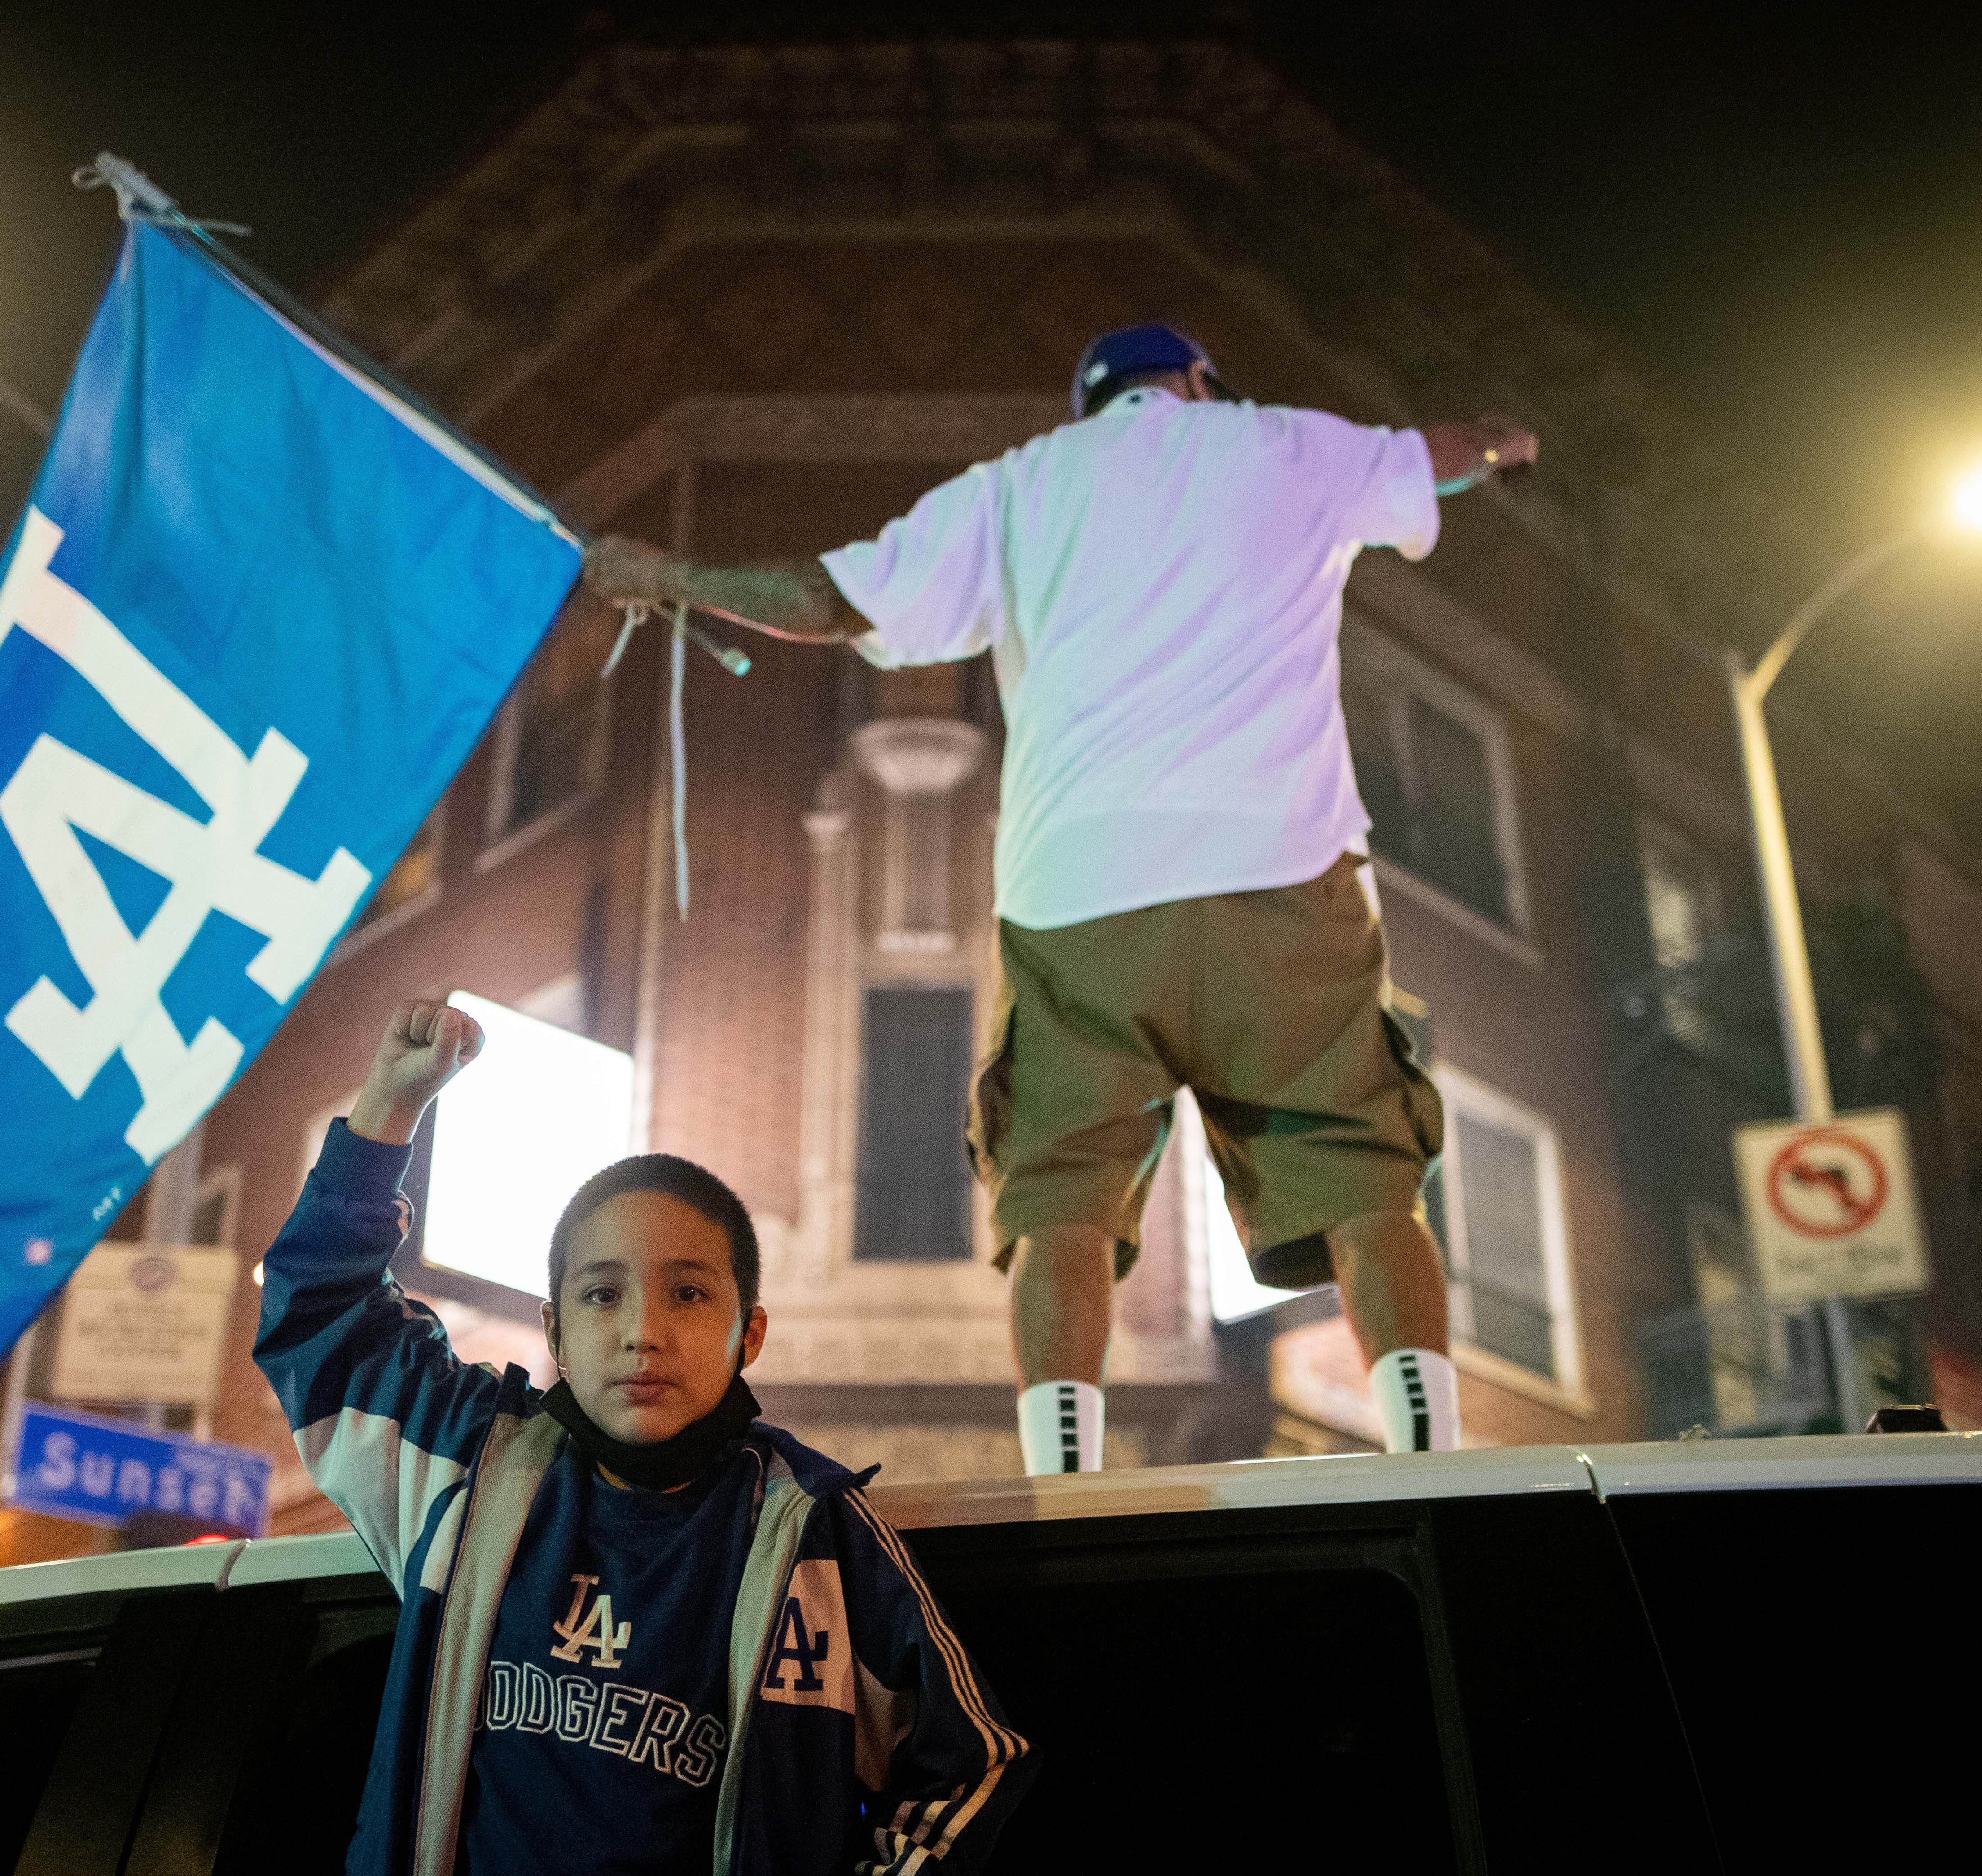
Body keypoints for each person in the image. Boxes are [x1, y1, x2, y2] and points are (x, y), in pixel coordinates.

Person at [581, 323, 1538, 1468]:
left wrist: (667, 576)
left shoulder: (1020, 485)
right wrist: (1494, 442)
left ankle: (1065, 1470)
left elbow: (822, 595)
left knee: (1061, 1198)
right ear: (1196, 384)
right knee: (1364, 1169)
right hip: (1280, 864)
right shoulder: (1280, 444)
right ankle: (1427, 1447)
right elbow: (1427, 455)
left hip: (1081, 888)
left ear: (1093, 403)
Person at [254, 996, 1033, 1876]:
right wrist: (392, 1102)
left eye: (688, 1292)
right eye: (603, 1293)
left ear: (748, 1329)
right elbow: (319, 1321)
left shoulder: (815, 1529)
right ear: (556, 1329)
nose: (643, 1330)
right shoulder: (467, 1469)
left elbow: (977, 1756)